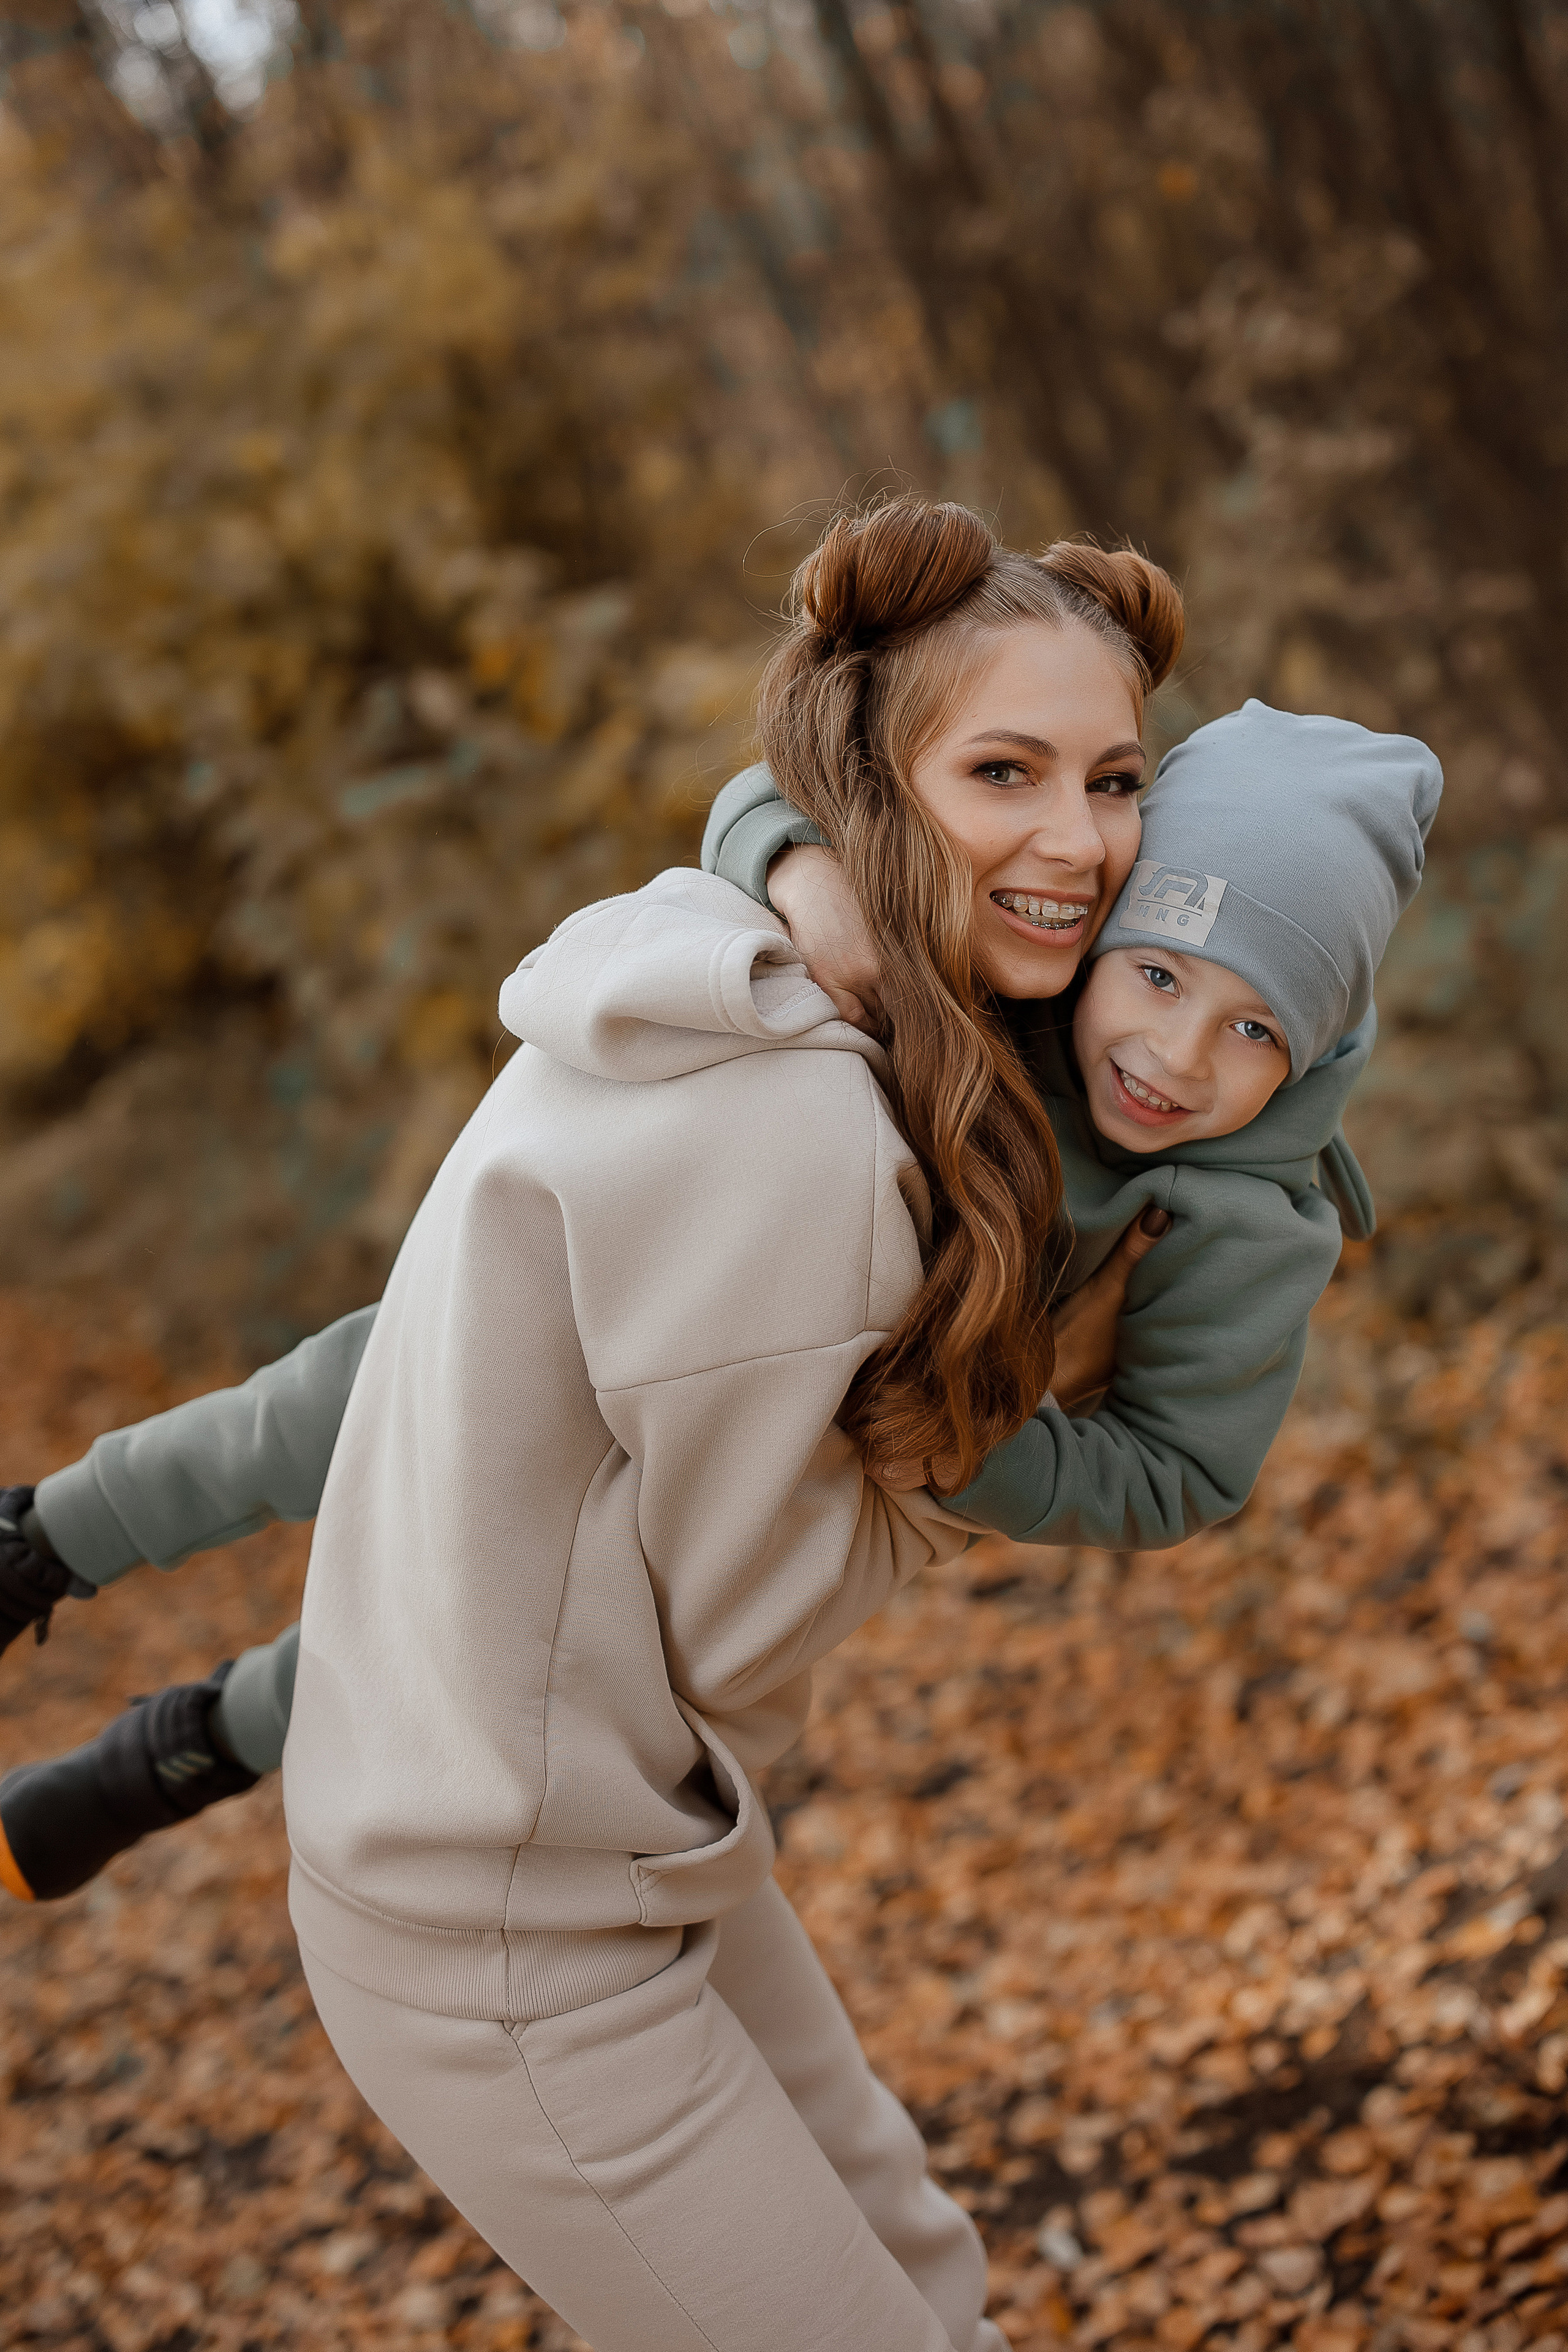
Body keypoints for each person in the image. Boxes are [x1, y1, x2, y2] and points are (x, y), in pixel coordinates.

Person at [3, 497, 1197, 2352]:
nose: (1084, 841)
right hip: (516, 1936)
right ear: (872, 778)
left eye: (1119, 780)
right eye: (1008, 770)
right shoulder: (805, 1151)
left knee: (931, 2297)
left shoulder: (694, 954)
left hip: (617, 1847)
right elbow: (731, 1642)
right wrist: (1009, 1396)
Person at [0, 603, 1441, 1910]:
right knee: (366, 1385)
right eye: (1159, 976)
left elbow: (1182, 1469)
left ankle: (189, 1748)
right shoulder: (1021, 960)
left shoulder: (1247, 1220)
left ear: (1313, 1049)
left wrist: (972, 1454)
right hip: (675, 1277)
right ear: (1107, 923)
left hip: (813, 1446)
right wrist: (802, 873)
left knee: (519, 1613)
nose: (1174, 1056)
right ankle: (54, 1537)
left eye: (1257, 1031)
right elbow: (788, 788)